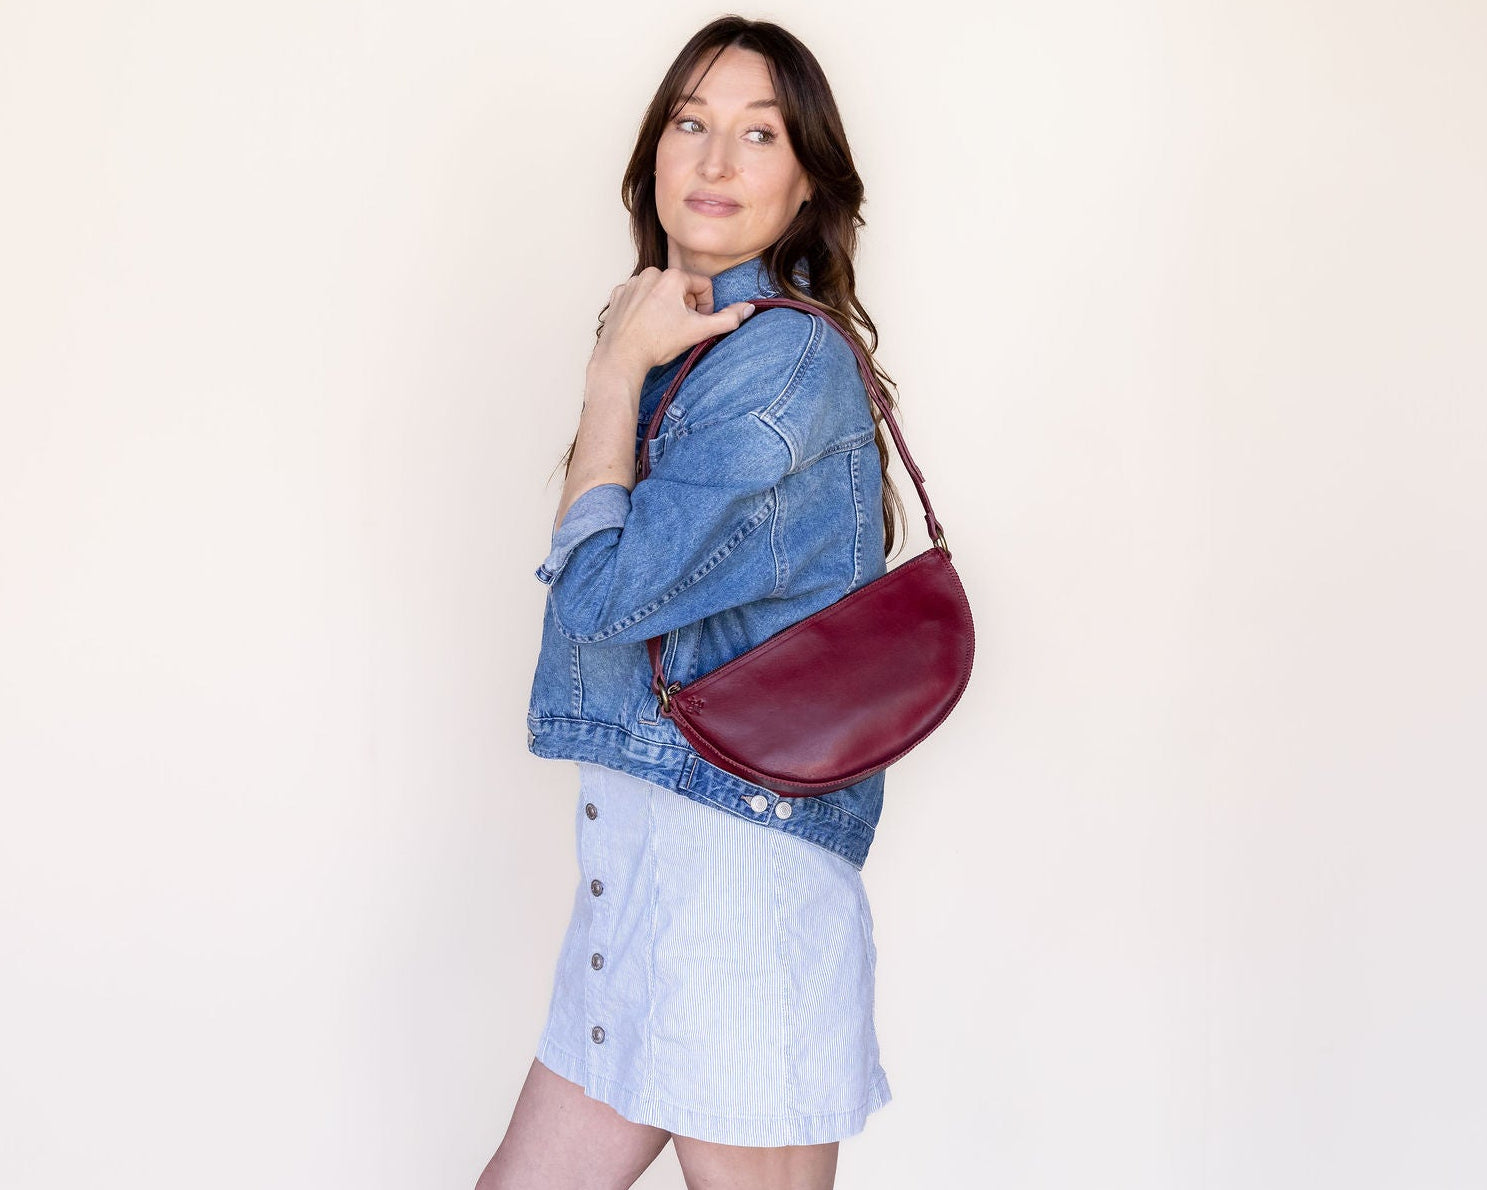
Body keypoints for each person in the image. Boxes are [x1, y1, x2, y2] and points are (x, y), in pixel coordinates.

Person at [476, 16, 912, 1190]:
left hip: (734, 886)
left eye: (757, 133)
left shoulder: (776, 362)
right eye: (691, 122)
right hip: (638, 865)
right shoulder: (683, 337)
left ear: (806, 176)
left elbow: (601, 601)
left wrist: (610, 371)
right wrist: (630, 358)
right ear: (654, 153)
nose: (715, 162)